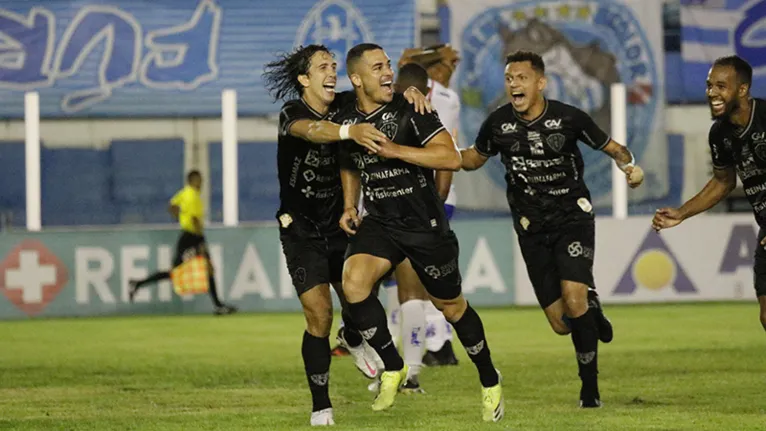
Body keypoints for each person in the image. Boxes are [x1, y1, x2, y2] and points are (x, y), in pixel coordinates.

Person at [460, 50, 643, 408]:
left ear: (540, 83)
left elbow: (613, 147)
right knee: (562, 323)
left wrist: (629, 166)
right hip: (530, 227)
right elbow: (472, 159)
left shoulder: (569, 118)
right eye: (510, 78)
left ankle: (589, 390)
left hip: (571, 217)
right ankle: (591, 308)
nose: (514, 84)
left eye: (522, 78)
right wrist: (443, 154)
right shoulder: (497, 124)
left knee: (573, 299)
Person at [262, 44, 432, 426]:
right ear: (304, 79)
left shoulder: (344, 104)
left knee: (359, 300)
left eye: (334, 66)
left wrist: (409, 91)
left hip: (341, 222)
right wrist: (348, 130)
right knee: (318, 314)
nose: (332, 72)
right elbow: (314, 131)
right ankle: (321, 405)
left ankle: (354, 338)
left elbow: (377, 90)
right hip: (300, 228)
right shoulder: (293, 113)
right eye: (323, 66)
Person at [333, 43, 504, 422]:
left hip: (423, 225)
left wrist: (397, 151)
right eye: (377, 67)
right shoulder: (347, 116)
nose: (387, 72)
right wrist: (350, 204)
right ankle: (394, 367)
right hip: (380, 222)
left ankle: (490, 379)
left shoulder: (413, 108)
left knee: (451, 307)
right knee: (354, 283)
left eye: (389, 65)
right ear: (357, 78)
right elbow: (349, 160)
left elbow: (451, 158)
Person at [653, 55, 766, 331]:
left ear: (742, 89)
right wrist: (682, 212)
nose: (711, 93)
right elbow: (722, 181)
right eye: (708, 86)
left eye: (720, 86)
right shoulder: (720, 134)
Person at [128, 170, 237, 316]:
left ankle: (138, 284)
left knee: (193, 271)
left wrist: (180, 218)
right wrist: (201, 240)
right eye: (199, 180)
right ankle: (218, 306)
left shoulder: (184, 193)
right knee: (199, 270)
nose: (202, 183)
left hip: (187, 236)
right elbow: (195, 220)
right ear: (193, 180)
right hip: (192, 237)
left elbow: (172, 206)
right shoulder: (193, 197)